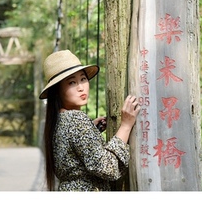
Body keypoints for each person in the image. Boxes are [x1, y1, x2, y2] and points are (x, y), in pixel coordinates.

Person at [40, 50, 139, 191]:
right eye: (72, 82)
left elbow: (73, 151)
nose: (81, 87)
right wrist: (126, 125)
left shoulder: (57, 120)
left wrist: (91, 130)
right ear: (57, 91)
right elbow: (107, 167)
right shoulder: (76, 119)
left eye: (83, 79)